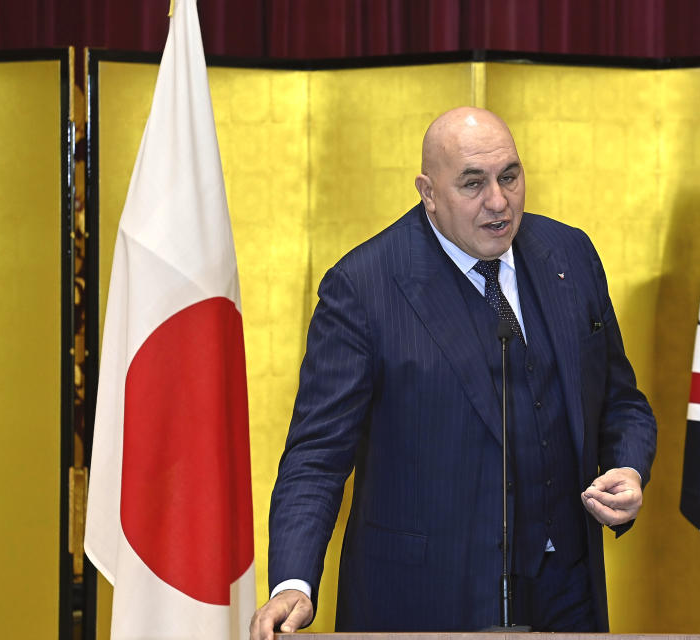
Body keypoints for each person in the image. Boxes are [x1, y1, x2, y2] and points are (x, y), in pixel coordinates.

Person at [250, 107, 657, 639]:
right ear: (428, 191)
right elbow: (316, 456)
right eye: (473, 184)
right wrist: (293, 584)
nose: (498, 201)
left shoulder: (569, 255)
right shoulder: (363, 288)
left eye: (509, 176)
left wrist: (627, 468)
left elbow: (621, 402)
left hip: (565, 593)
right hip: (426, 603)